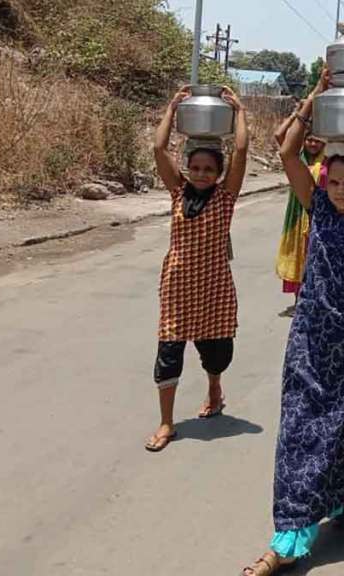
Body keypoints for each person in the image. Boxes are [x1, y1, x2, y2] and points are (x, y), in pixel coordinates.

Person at [241, 63, 344, 575]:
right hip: (314, 336)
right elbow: (288, 151)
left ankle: (341, 498)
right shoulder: (314, 206)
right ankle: (287, 536)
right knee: (300, 429)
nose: (339, 189)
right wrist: (315, 94)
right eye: (333, 181)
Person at [145, 85, 248, 452]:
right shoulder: (177, 193)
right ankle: (166, 422)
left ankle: (215, 389)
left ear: (219, 174)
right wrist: (172, 107)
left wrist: (238, 113)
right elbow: (158, 148)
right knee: (169, 351)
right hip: (176, 284)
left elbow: (240, 149)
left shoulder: (225, 198)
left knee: (216, 351)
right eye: (196, 168)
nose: (201, 174)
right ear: (187, 170)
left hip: (214, 286)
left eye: (209, 169)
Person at [273, 103, 328, 316]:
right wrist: (298, 112)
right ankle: (300, 302)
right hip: (297, 216)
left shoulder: (329, 160)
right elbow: (279, 135)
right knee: (299, 257)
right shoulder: (298, 158)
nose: (313, 143)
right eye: (309, 139)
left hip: (318, 215)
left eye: (317, 139)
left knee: (315, 258)